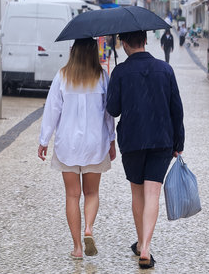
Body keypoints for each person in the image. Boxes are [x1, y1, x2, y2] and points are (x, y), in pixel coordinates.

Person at [106, 30, 185, 269]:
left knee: (137, 194)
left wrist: (118, 81)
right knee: (152, 194)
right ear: (145, 41)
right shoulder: (165, 70)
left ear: (124, 44)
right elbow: (176, 110)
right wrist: (178, 143)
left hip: (132, 141)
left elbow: (113, 109)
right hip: (161, 140)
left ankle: (141, 243)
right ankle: (146, 249)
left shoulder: (120, 72)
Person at [38, 38, 116, 260]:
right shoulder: (102, 77)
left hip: (68, 145)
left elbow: (52, 110)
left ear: (73, 51)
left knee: (72, 195)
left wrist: (44, 140)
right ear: (93, 52)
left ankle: (77, 248)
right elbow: (108, 113)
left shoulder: (62, 76)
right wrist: (111, 140)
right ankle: (88, 228)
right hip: (95, 143)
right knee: (92, 192)